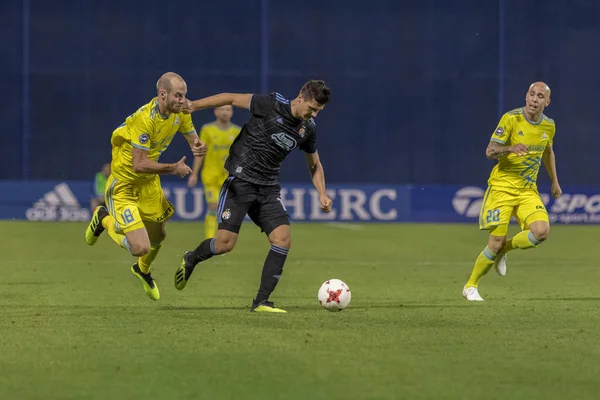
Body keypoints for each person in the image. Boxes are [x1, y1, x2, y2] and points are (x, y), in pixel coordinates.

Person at [174, 80, 333, 313]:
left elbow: (314, 164)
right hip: (240, 182)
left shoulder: (307, 129)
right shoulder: (270, 103)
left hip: (268, 188)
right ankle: (191, 258)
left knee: (283, 239)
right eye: (312, 108)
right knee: (224, 244)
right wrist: (194, 106)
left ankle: (261, 301)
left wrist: (322, 193)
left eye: (318, 111)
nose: (314, 114)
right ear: (300, 97)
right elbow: (230, 96)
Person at [84, 72, 206, 301]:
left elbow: (192, 138)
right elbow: (139, 164)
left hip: (148, 183)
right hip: (125, 184)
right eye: (178, 95)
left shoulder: (180, 113)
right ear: (162, 94)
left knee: (159, 234)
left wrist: (198, 147)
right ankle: (103, 218)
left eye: (185, 95)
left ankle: (142, 270)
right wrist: (172, 168)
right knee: (140, 247)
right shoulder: (145, 119)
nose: (183, 100)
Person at [463, 81, 562, 301]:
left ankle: (504, 252)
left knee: (541, 233)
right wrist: (510, 148)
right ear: (526, 96)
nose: (534, 100)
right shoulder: (511, 119)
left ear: (547, 102)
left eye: (540, 96)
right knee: (495, 242)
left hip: (527, 190)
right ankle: (470, 286)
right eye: (532, 94)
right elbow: (490, 151)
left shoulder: (549, 126)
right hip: (502, 189)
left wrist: (554, 181)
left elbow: (548, 152)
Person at [187, 105, 241, 239]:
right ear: (216, 112)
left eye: (228, 109)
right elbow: (200, 153)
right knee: (213, 206)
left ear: (232, 112)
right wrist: (194, 174)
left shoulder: (237, 131)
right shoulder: (207, 129)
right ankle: (210, 239)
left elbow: (240, 155)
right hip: (211, 175)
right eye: (222, 109)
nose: (225, 112)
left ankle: (222, 239)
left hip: (228, 177)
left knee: (226, 210)